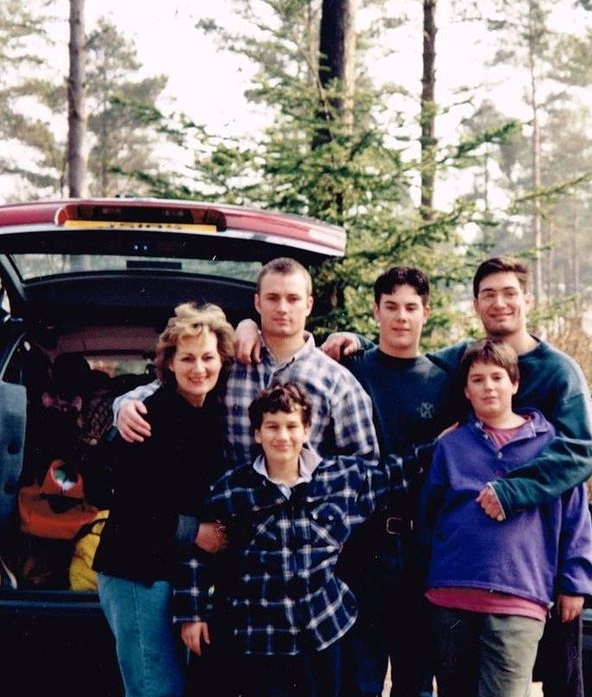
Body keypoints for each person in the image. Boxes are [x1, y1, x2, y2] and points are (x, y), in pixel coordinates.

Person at [320, 256, 592, 697]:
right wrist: (354, 340)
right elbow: (407, 353)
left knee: (559, 677)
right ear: (475, 305)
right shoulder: (464, 358)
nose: (500, 303)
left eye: (509, 293)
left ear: (527, 300)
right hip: (455, 571)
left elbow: (582, 454)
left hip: (534, 560)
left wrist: (515, 494)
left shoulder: (558, 371)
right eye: (488, 294)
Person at [234, 266, 460, 697]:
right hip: (364, 548)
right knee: (359, 676)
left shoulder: (443, 381)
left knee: (416, 677)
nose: (401, 317)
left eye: (411, 307)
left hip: (427, 547)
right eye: (390, 306)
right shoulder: (351, 366)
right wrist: (245, 325)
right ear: (375, 310)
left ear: (426, 313)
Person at [173, 382, 431, 697]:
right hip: (260, 636)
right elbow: (200, 555)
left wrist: (444, 444)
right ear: (257, 434)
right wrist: (192, 614)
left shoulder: (341, 477)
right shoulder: (232, 490)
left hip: (324, 630)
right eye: (272, 427)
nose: (283, 436)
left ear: (306, 430)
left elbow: (396, 474)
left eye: (292, 426)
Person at [419, 338, 592, 697]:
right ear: (466, 391)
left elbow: (575, 519)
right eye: (478, 379)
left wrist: (575, 582)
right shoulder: (450, 446)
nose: (488, 387)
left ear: (514, 383)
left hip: (517, 599)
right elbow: (428, 516)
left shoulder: (550, 446)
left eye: (497, 377)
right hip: (450, 600)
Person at [92, 302, 235, 697]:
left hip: (169, 572)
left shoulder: (205, 413)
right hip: (135, 574)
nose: (199, 368)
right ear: (169, 363)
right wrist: (196, 533)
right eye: (187, 358)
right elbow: (124, 505)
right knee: (155, 689)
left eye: (208, 357)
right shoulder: (149, 416)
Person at [113, 256, 379, 465]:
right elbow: (175, 385)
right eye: (272, 298)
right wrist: (125, 405)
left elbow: (364, 467)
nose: (283, 308)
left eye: (293, 299)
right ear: (257, 302)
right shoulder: (230, 364)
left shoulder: (337, 383)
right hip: (230, 519)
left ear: (308, 305)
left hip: (303, 528)